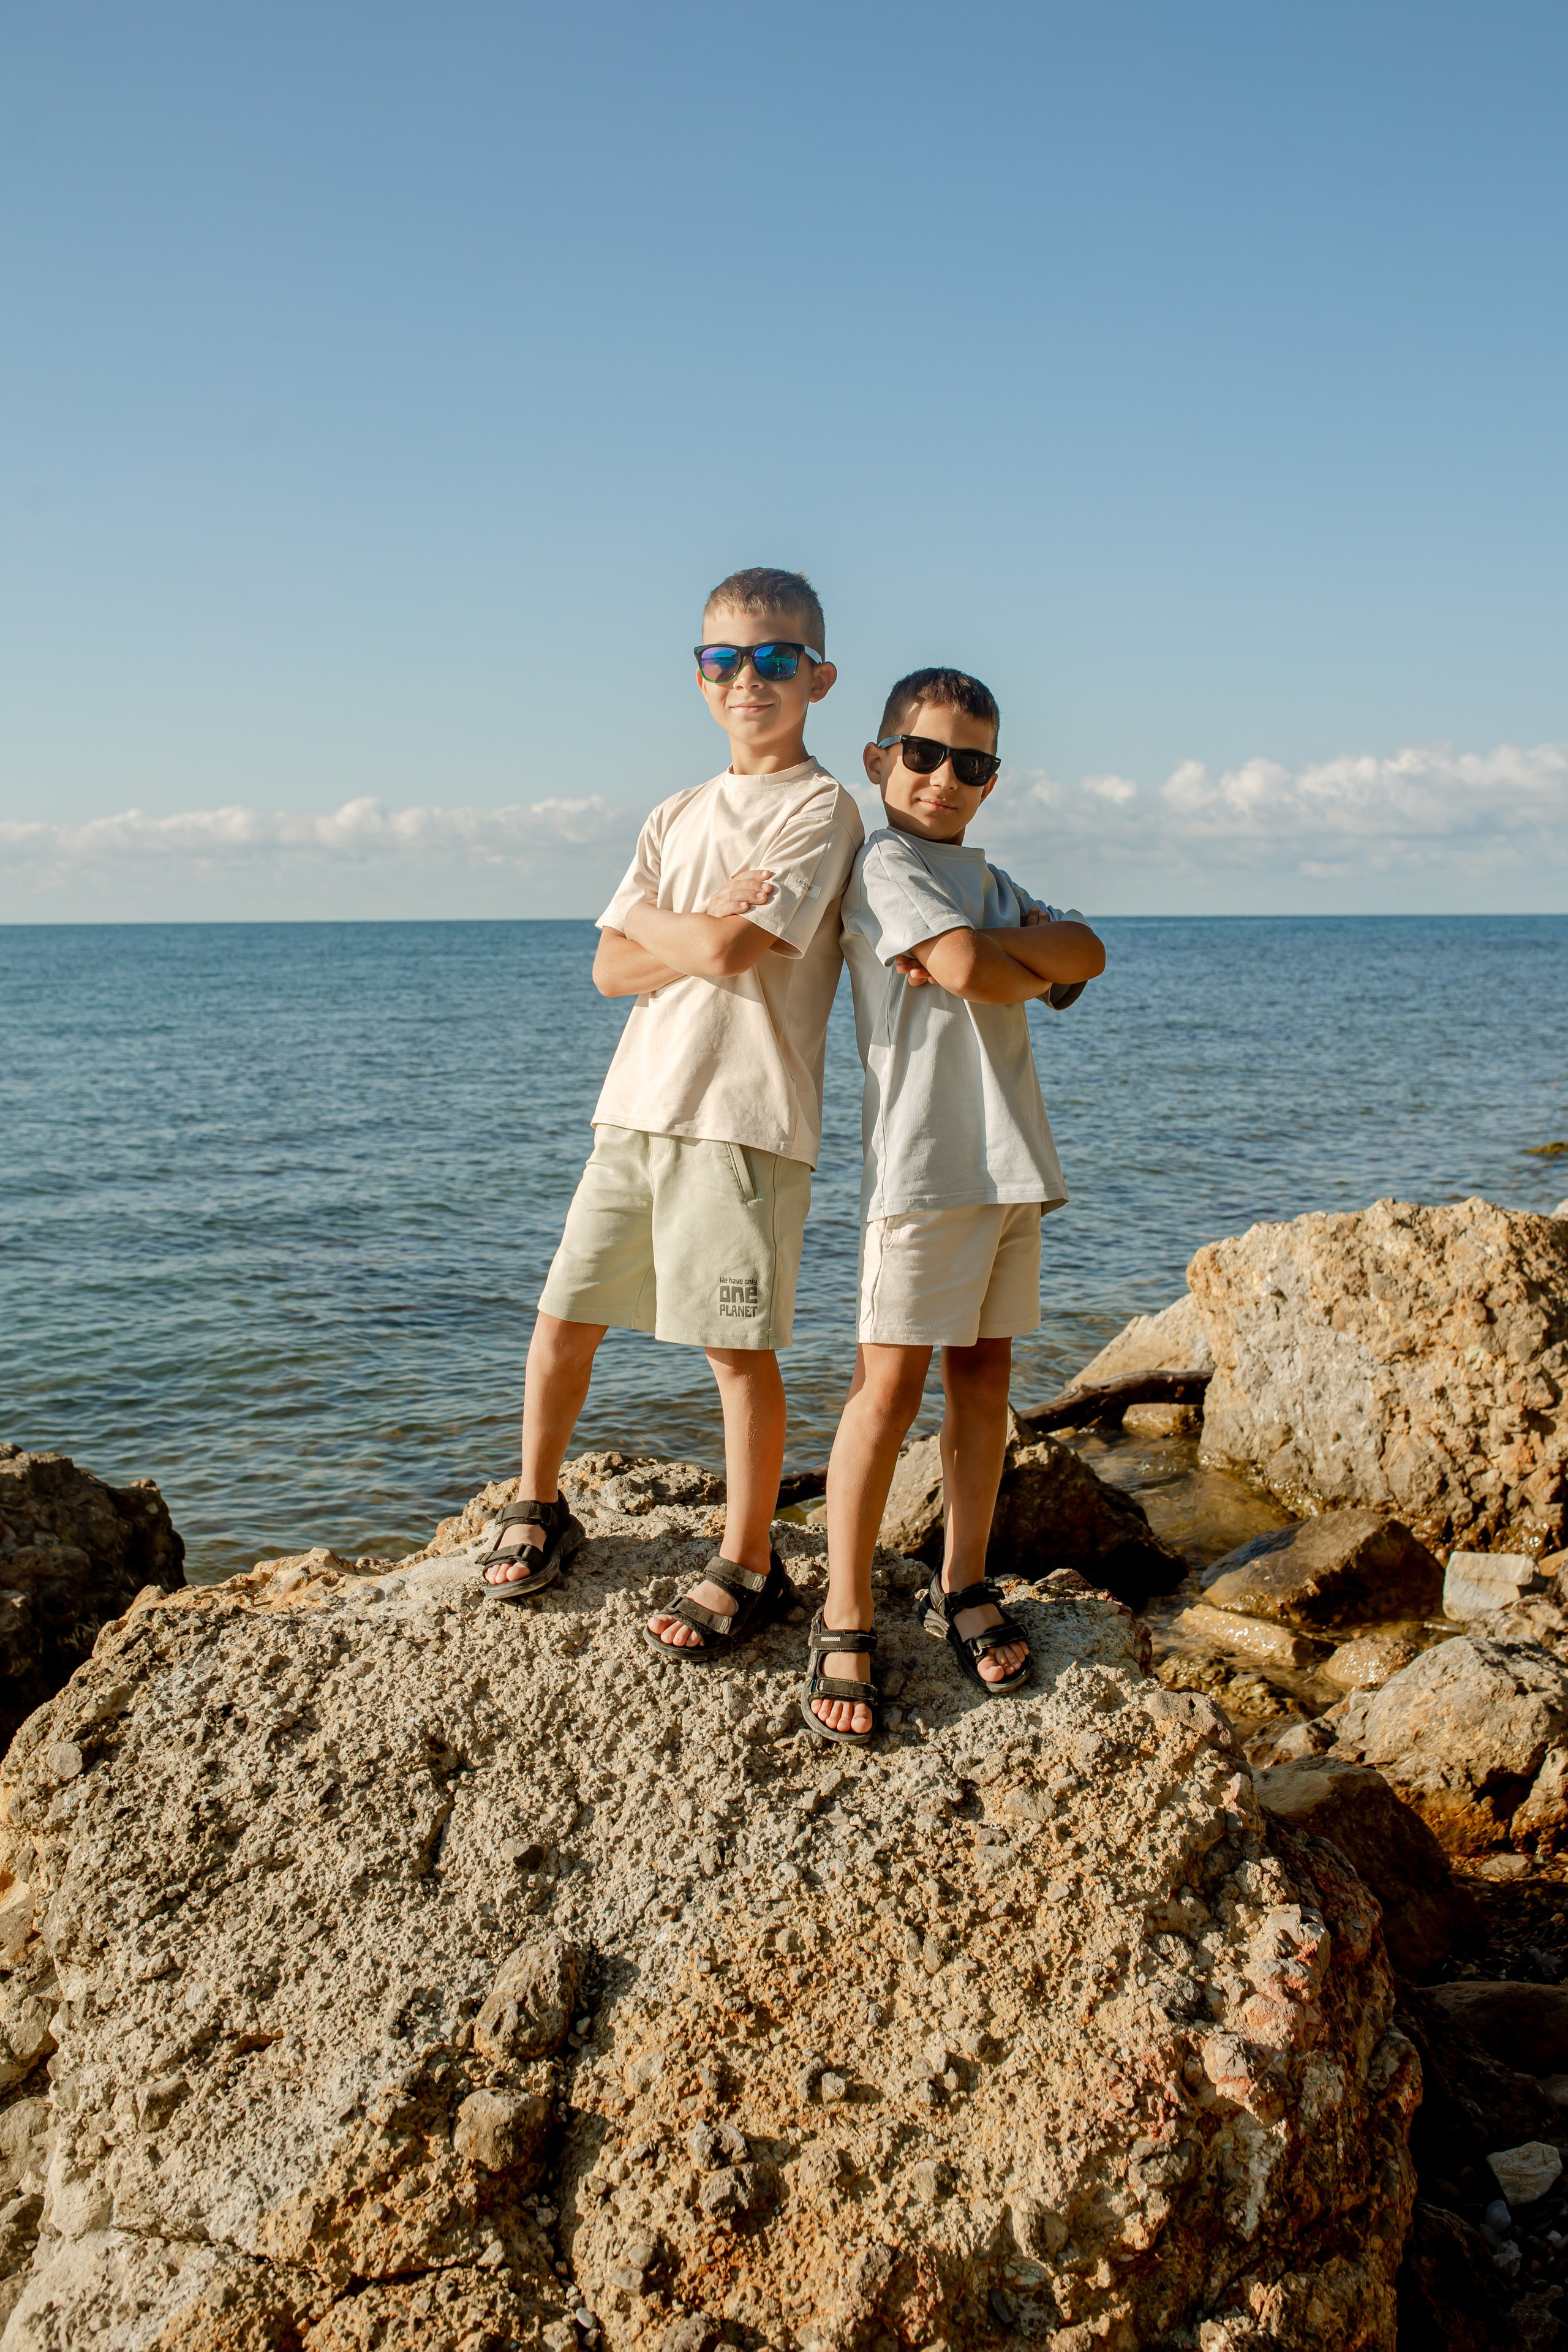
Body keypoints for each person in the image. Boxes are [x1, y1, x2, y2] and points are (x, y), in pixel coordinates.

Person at [478, 567, 865, 1668]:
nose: (750, 679)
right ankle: (539, 1502)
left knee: (734, 1351)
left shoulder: (819, 808)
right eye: (725, 660)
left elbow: (729, 954)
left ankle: (750, 1560)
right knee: (565, 1317)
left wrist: (664, 925)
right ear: (700, 678)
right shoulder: (676, 813)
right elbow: (610, 970)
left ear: (818, 676)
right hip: (636, 1106)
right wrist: (681, 920)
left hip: (746, 1115)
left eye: (776, 659)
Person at [799, 667, 1105, 1744]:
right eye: (920, 754)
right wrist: (1010, 958)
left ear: (991, 780)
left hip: (1008, 1164)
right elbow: (985, 960)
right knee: (886, 1392)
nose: (941, 778)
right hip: (925, 1169)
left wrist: (999, 959)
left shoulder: (980, 871)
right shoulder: (883, 865)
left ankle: (963, 1579)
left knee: (985, 1381)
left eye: (968, 764)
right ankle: (845, 1610)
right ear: (881, 757)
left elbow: (1089, 952)